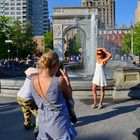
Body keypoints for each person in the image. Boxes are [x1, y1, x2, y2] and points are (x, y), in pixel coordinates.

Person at [30, 50, 78, 140]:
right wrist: (67, 79)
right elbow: (69, 96)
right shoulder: (59, 81)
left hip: (42, 121)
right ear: (56, 65)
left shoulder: (33, 81)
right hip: (58, 122)